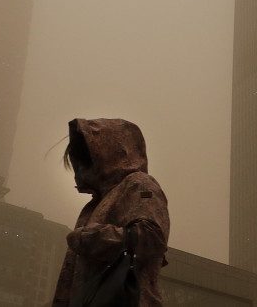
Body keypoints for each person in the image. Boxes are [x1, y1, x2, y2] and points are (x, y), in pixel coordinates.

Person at [51, 118, 170, 307]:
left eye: (85, 157)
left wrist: (92, 238)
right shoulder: (101, 200)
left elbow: (151, 237)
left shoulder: (141, 185)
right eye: (79, 160)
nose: (80, 168)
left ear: (111, 151)